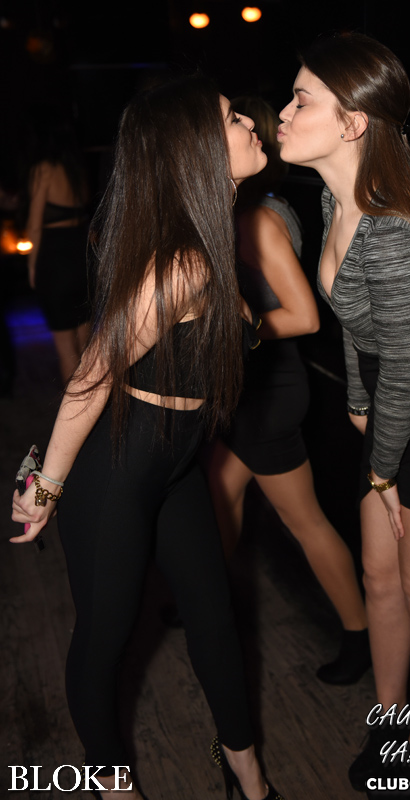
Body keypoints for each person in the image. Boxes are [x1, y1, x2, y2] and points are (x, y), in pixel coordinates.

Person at [11, 75, 284, 800]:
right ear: (196, 149)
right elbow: (89, 378)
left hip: (176, 465)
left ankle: (248, 776)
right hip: (118, 471)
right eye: (232, 118)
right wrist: (45, 489)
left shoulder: (218, 233)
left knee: (214, 616)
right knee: (103, 643)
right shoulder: (186, 261)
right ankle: (113, 786)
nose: (249, 123)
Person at [277, 32, 410, 796]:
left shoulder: (391, 229)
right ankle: (391, 718)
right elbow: (353, 327)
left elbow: (407, 368)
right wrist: (357, 405)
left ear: (353, 123)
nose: (283, 113)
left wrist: (380, 471)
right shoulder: (333, 199)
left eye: (300, 99)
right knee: (379, 577)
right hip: (393, 408)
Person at [205, 95, 370, 685]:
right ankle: (206, 601)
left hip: (270, 391)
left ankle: (360, 633)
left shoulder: (258, 220)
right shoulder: (255, 208)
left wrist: (227, 330)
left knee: (304, 522)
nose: (256, 129)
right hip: (254, 387)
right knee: (221, 494)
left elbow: (304, 316)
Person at [23, 105, 92, 384]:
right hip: (82, 259)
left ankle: (76, 411)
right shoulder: (78, 169)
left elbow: (34, 225)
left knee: (66, 350)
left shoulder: (44, 169)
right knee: (85, 347)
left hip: (55, 262)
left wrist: (32, 267)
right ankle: (95, 406)